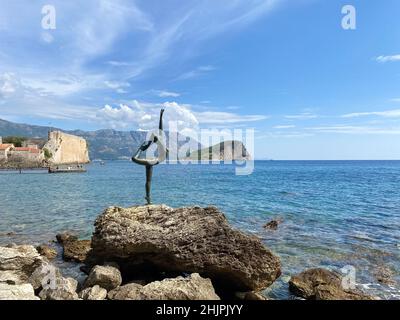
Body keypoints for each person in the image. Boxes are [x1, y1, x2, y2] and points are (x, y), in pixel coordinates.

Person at [132, 109, 168, 205]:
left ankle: (148, 198)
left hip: (154, 160)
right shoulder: (161, 141)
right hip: (154, 160)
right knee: (148, 180)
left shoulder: (160, 140)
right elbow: (160, 129)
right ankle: (148, 198)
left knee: (148, 180)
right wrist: (160, 116)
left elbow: (161, 129)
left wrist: (161, 116)